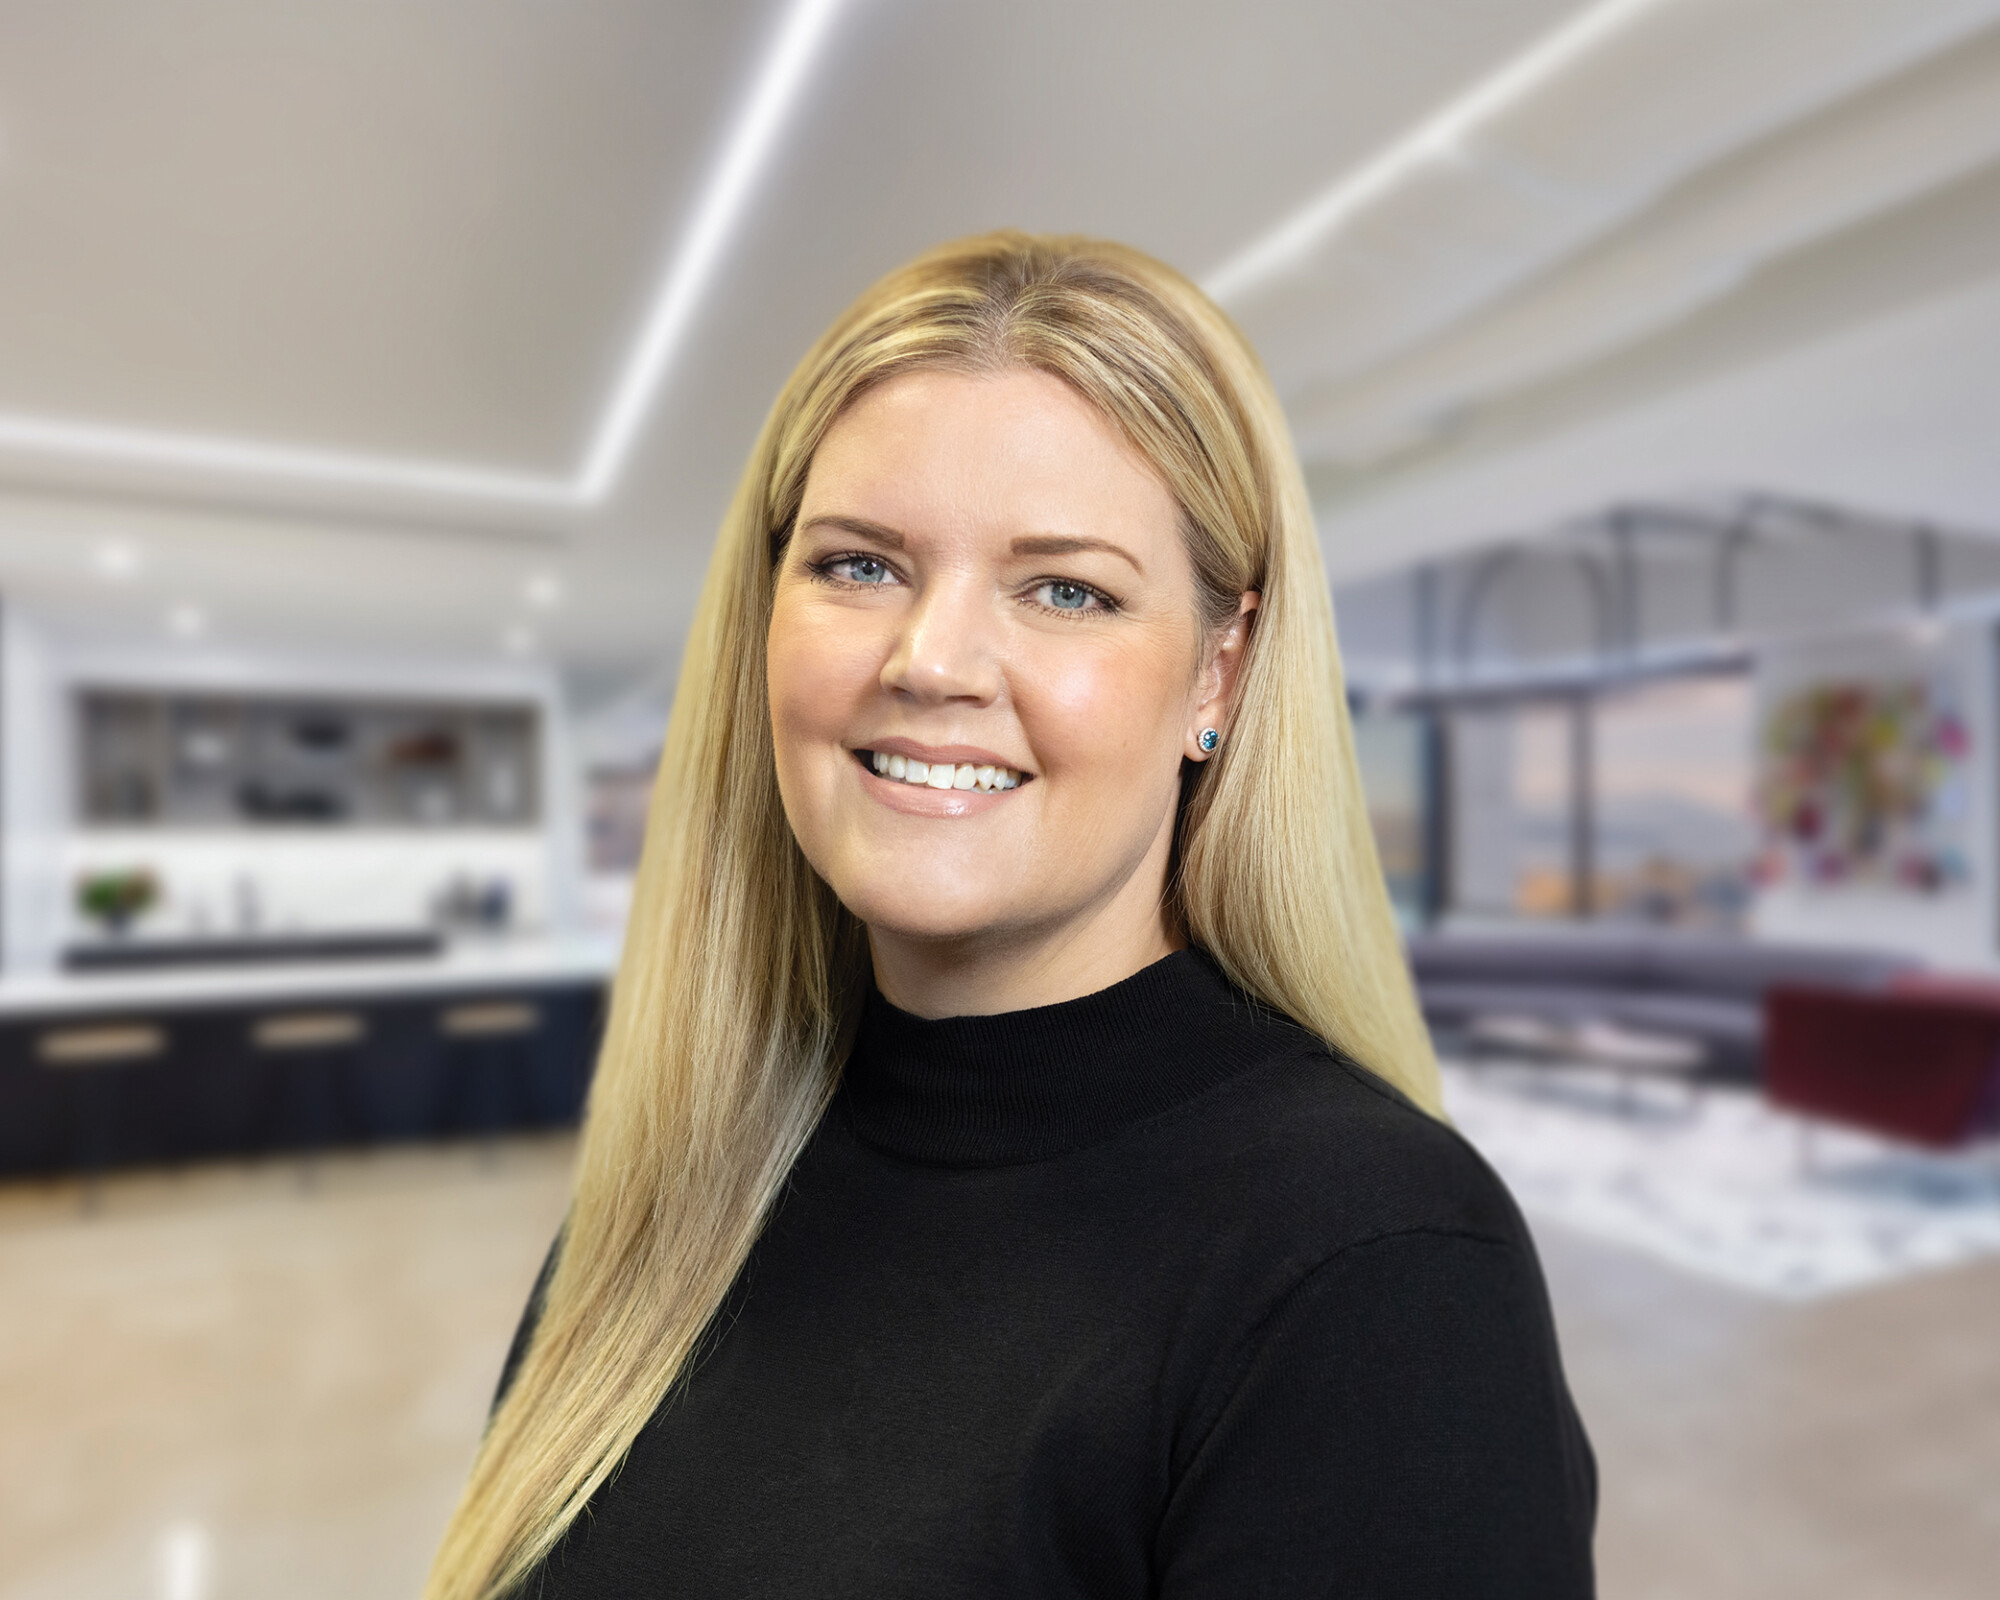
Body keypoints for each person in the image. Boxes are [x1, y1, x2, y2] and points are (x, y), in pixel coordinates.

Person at [426, 232, 1595, 1599]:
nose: (931, 663)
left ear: (1219, 673)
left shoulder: (1375, 1274)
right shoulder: (694, 1178)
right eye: (861, 566)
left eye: (1065, 590)